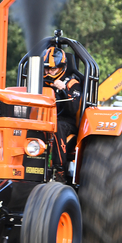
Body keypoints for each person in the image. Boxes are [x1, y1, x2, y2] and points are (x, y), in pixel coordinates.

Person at [43, 46, 82, 177]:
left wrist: (64, 90)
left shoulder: (72, 83)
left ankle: (59, 170)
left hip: (66, 122)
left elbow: (73, 108)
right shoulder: (39, 83)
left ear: (61, 68)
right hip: (42, 118)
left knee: (56, 125)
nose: (49, 72)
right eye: (47, 68)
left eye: (53, 69)